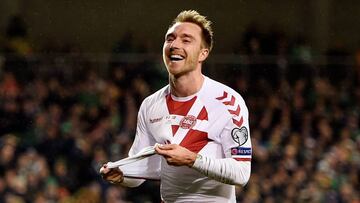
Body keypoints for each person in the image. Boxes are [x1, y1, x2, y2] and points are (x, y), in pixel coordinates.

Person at [100, 10, 251, 202]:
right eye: (169, 39)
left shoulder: (228, 102)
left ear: (203, 53)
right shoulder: (150, 105)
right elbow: (142, 171)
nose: (175, 45)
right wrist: (122, 175)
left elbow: (242, 173)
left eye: (186, 40)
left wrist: (192, 159)